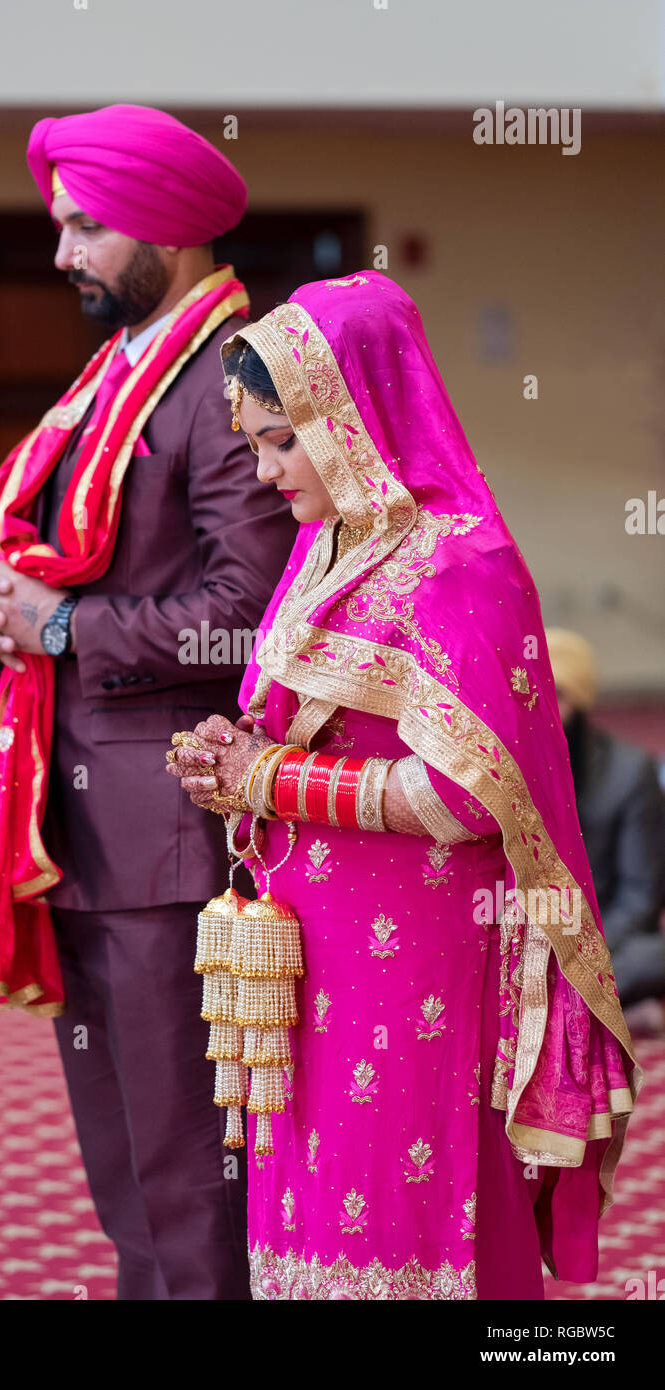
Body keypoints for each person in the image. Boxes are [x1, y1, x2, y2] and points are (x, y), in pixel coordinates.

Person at [167, 270, 640, 1301]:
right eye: (251, 442)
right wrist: (234, 758)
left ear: (354, 410)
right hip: (305, 939)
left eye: (282, 437)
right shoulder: (321, 548)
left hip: (415, 942)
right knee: (303, 1187)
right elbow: (295, 727)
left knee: (402, 1202)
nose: (263, 469)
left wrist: (274, 779)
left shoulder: (461, 565)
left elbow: (473, 796)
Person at [0, 105, 297, 1300]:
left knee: (185, 1165)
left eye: (86, 227)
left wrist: (60, 628)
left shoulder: (226, 377)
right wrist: (18, 609)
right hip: (85, 818)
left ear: (165, 229)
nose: (62, 255)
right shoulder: (122, 372)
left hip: (170, 833)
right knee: (121, 1167)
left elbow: (248, 613)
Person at [546, 628, 665, 1026]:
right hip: (522, 934)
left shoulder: (629, 772)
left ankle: (568, 1012)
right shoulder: (503, 764)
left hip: (602, 939)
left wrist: (578, 955)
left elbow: (640, 898)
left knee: (653, 957)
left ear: (580, 701)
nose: (543, 707)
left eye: (557, 694)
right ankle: (610, 1019)